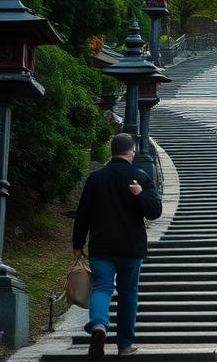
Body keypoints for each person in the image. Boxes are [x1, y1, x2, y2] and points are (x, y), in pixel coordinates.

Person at [73, 133, 163, 360]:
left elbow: (83, 213)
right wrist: (140, 195)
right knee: (128, 293)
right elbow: (155, 211)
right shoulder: (139, 176)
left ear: (112, 151)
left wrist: (77, 243)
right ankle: (125, 345)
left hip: (102, 245)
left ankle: (99, 326)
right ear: (131, 151)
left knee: (102, 287)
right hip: (131, 248)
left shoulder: (96, 178)